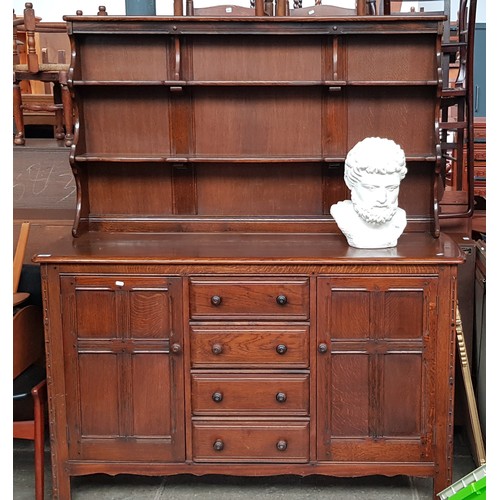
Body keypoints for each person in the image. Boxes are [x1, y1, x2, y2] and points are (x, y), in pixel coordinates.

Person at [330, 137, 408, 249]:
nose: (382, 199)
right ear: (350, 183)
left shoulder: (399, 218)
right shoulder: (341, 214)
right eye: (371, 188)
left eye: (391, 188)